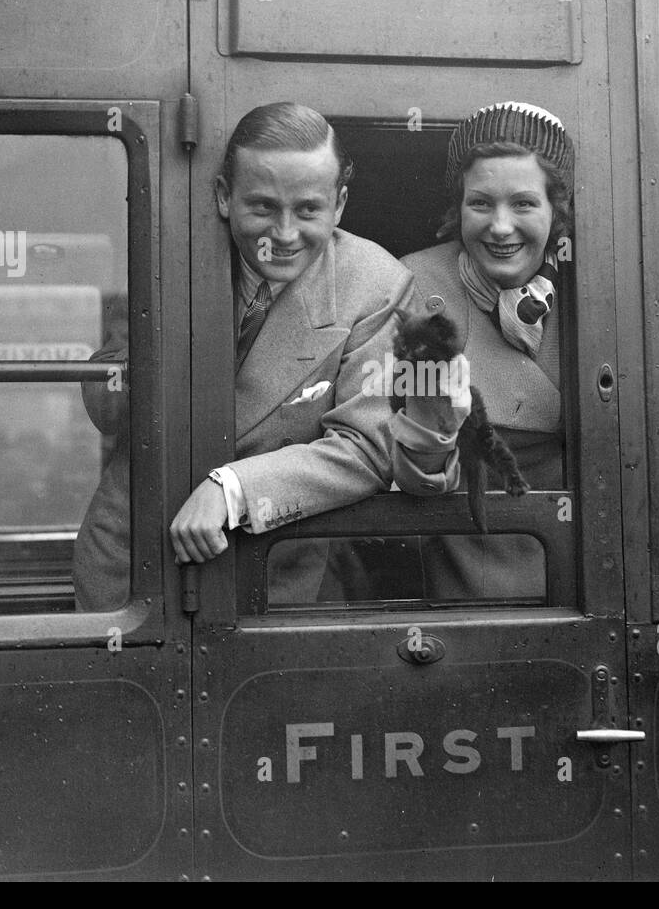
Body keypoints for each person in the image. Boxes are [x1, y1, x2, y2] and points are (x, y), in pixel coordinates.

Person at [74, 102, 414, 612]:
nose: (283, 234)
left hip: (278, 575)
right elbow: (106, 410)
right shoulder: (171, 250)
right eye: (262, 207)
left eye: (308, 210)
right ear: (223, 196)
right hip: (130, 566)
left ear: (339, 205)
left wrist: (231, 488)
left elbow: (367, 450)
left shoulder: (378, 284)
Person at [385, 102, 575, 601]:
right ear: (458, 208)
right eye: (481, 203)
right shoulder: (412, 286)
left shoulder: (600, 291)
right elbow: (406, 466)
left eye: (524, 204)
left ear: (557, 211)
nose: (501, 226)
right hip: (466, 580)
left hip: (586, 574)